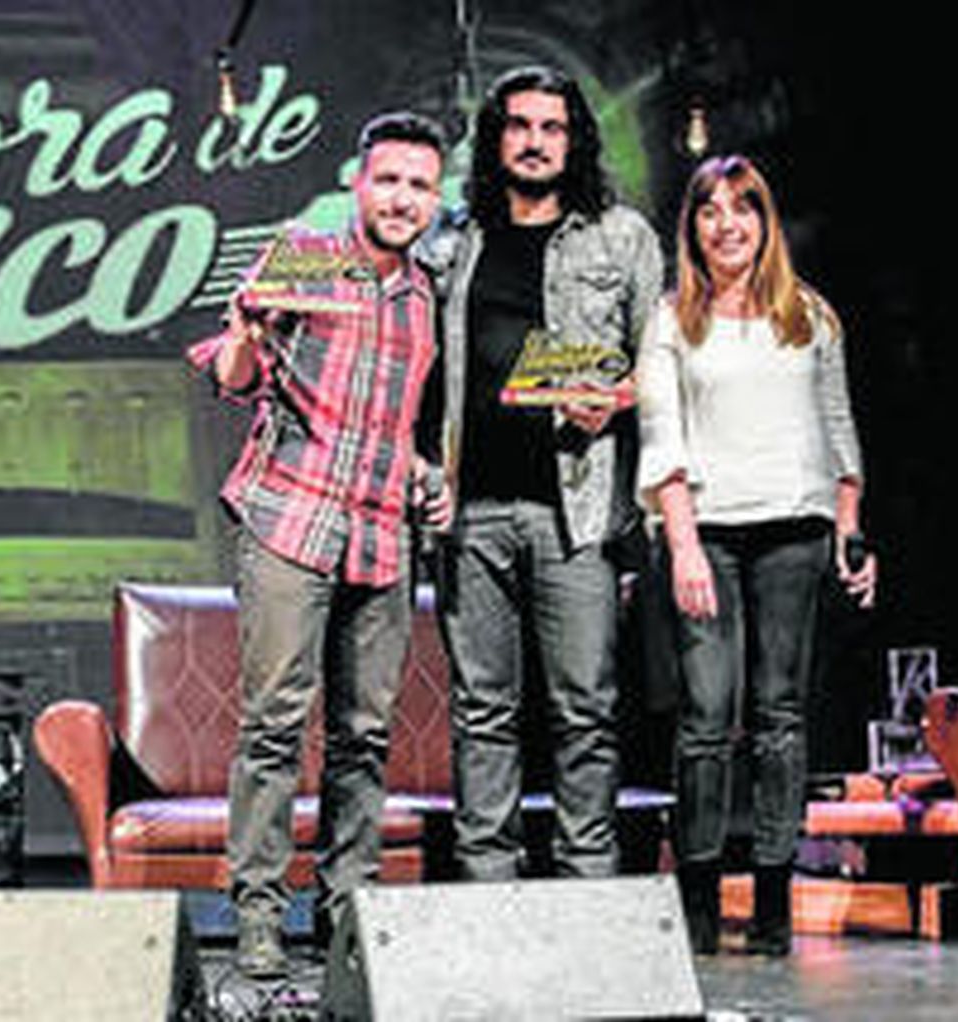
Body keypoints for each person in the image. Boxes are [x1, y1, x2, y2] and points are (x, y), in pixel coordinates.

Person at [187, 111, 451, 978]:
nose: (402, 198)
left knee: (364, 736)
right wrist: (248, 331)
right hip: (291, 518)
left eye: (419, 185)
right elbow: (235, 377)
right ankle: (260, 916)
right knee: (273, 725)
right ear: (357, 184)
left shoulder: (424, 297)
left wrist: (426, 477)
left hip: (380, 531)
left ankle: (346, 917)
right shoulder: (305, 253)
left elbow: (396, 425)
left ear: (435, 198)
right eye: (388, 180)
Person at [420, 66, 662, 881]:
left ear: (574, 139)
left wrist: (615, 400)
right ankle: (489, 886)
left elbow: (659, 367)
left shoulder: (621, 237)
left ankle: (586, 888)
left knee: (583, 710)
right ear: (495, 141)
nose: (533, 141)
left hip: (578, 510)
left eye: (551, 127)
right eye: (518, 126)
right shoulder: (453, 240)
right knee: (482, 711)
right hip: (471, 508)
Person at [636, 154, 877, 955]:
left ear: (766, 223)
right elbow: (661, 438)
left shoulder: (810, 315)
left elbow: (839, 432)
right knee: (707, 717)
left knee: (780, 717)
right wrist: (681, 544)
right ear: (693, 228)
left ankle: (773, 893)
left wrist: (850, 531)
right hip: (706, 531)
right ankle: (699, 894)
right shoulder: (672, 319)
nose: (727, 224)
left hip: (796, 530)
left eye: (744, 209)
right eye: (710, 210)